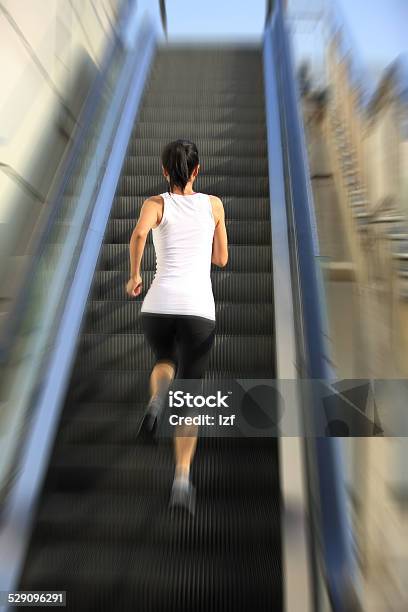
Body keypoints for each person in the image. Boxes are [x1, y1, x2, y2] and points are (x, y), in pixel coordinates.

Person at [125, 139, 228, 513]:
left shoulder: (155, 204)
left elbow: (138, 235)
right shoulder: (213, 205)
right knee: (190, 397)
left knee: (164, 358)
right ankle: (182, 479)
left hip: (158, 303)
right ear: (197, 171)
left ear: (164, 171)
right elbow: (221, 259)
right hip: (198, 309)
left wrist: (135, 276)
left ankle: (156, 402)